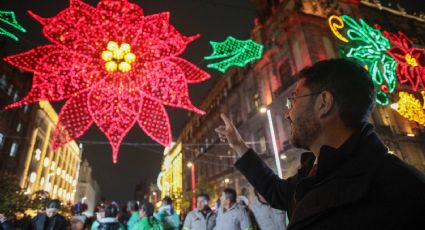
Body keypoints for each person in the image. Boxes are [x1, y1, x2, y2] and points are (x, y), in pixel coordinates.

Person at [215, 58, 425, 229]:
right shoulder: (313, 174)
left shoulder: (402, 189)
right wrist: (238, 145)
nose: (288, 113)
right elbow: (275, 191)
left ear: (323, 103)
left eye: (294, 99)